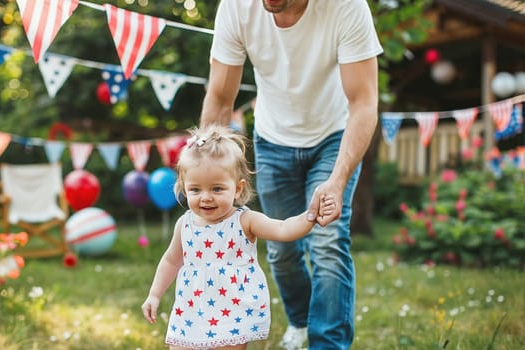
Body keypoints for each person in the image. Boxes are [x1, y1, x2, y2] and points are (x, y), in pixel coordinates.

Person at [198, 1, 383, 349]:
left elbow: (363, 102)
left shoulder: (346, 6)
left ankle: (327, 343)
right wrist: (206, 173)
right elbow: (221, 100)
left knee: (327, 242)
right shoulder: (237, 7)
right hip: (272, 140)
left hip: (334, 137)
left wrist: (338, 180)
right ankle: (299, 322)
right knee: (281, 251)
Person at [141, 125, 335, 350]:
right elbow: (171, 260)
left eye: (217, 189)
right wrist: (155, 295)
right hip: (191, 309)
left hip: (231, 310)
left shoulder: (245, 221)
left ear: (238, 189)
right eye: (195, 190)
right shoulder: (185, 224)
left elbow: (283, 229)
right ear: (184, 187)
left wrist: (310, 216)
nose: (206, 197)